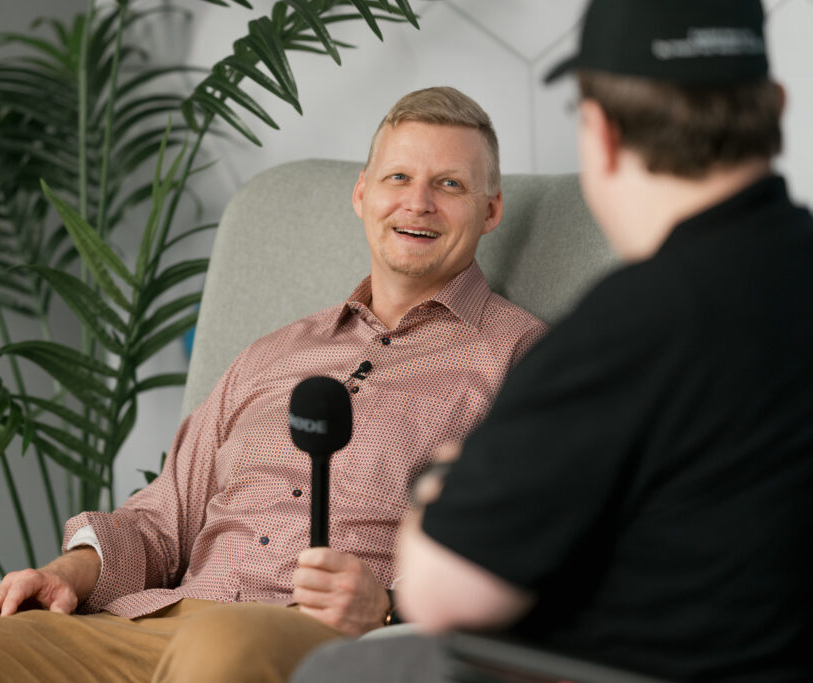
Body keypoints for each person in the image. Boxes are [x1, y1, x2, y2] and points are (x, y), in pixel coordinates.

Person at [0, 86, 547, 683]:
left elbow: (523, 547)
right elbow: (163, 520)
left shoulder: (521, 356)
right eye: (398, 177)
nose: (418, 202)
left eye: (450, 184)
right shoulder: (273, 352)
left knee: (224, 644)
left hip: (328, 639)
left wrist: (391, 603)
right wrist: (71, 571)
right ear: (364, 195)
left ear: (490, 211)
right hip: (156, 623)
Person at [292, 1, 813, 682]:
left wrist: (440, 483)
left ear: (599, 132)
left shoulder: (632, 323)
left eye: (448, 183)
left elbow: (440, 590)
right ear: (774, 107)